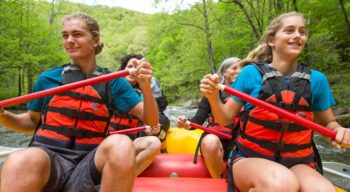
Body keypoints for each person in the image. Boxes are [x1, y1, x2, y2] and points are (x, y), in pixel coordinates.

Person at [0, 13, 159, 192]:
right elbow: (31, 122)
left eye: (77, 34)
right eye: (65, 35)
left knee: (121, 144)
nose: (69, 40)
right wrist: (4, 116)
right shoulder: (48, 79)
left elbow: (152, 121)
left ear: (95, 40)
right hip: (49, 159)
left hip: (89, 163)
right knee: (19, 159)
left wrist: (145, 87)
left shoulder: (114, 82)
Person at [200, 11, 350, 192]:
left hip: (299, 162)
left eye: (302, 32)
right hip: (250, 158)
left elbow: (328, 123)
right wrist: (213, 97)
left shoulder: (317, 80)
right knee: (281, 183)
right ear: (271, 40)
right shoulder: (250, 73)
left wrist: (339, 130)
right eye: (289, 30)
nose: (297, 35)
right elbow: (225, 119)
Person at [176, 57, 241, 178]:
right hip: (215, 137)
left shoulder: (248, 93)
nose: (238, 71)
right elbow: (198, 120)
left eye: (241, 69)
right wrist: (186, 123)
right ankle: (218, 181)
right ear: (224, 72)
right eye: (234, 68)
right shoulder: (211, 93)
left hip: (237, 140)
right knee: (211, 142)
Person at [108, 54, 170, 175]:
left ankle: (124, 178)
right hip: (107, 143)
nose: (133, 70)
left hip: (131, 144)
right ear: (122, 69)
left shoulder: (144, 95)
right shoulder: (109, 86)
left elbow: (150, 120)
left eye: (136, 67)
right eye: (130, 66)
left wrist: (151, 130)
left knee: (154, 142)